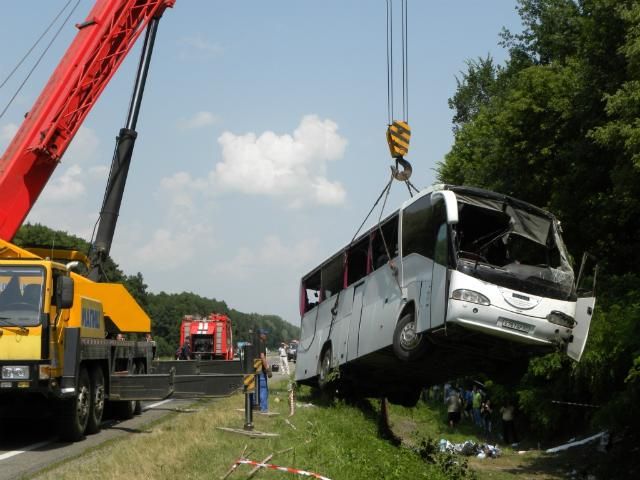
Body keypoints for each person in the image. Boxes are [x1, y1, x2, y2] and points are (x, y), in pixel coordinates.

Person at [257, 329, 272, 412]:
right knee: (263, 388)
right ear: (261, 335)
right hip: (261, 370)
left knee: (256, 389)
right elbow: (262, 356)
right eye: (265, 334)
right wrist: (267, 368)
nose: (266, 336)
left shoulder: (254, 343)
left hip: (254, 370)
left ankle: (254, 407)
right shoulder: (261, 343)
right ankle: (263, 408)